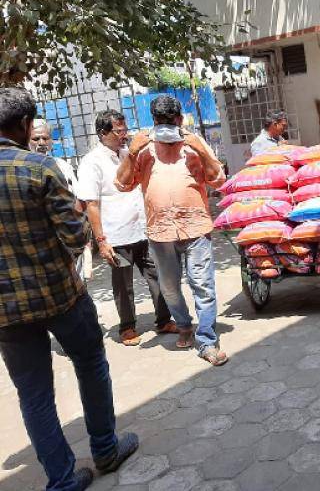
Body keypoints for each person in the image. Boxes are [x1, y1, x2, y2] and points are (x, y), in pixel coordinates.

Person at [0, 88, 138, 491]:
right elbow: (76, 238)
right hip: (60, 295)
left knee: (33, 392)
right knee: (91, 363)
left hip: (6, 309)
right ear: (26, 125)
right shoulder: (40, 168)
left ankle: (62, 479)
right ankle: (105, 449)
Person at [116, 95, 228, 365]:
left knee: (202, 285)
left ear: (179, 120)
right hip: (160, 232)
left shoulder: (194, 145)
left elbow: (219, 180)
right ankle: (184, 325)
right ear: (153, 121)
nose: (165, 126)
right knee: (169, 287)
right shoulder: (143, 150)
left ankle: (206, 340)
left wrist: (200, 150)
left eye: (170, 121)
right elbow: (122, 184)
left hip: (195, 228)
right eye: (159, 121)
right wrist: (132, 152)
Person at [77, 110, 177, 346]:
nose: (124, 135)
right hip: (115, 235)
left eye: (125, 130)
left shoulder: (127, 154)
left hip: (142, 230)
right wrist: (101, 240)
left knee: (158, 276)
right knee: (123, 285)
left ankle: (164, 320)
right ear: (103, 133)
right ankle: (127, 327)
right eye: (118, 131)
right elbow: (91, 204)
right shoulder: (91, 162)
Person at [28, 119, 94, 280]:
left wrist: (83, 237)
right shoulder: (24, 169)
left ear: (51, 141)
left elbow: (79, 200)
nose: (41, 143)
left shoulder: (63, 166)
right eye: (36, 139)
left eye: (45, 138)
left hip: (68, 240)